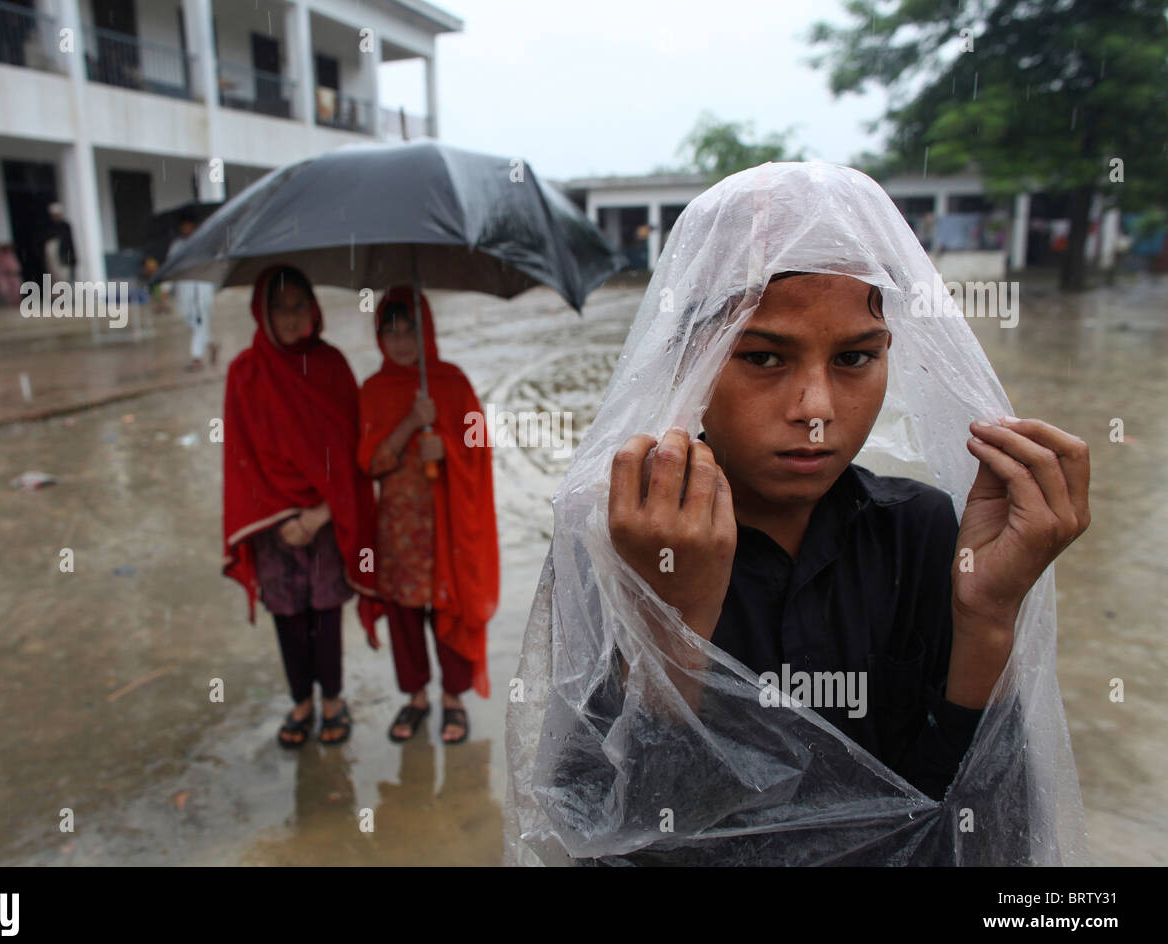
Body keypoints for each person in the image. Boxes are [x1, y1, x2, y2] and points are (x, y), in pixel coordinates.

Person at [506, 162, 1091, 867]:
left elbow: (989, 844)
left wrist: (990, 623)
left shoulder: (927, 535)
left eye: (853, 357)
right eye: (763, 357)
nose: (815, 409)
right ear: (692, 359)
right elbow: (602, 841)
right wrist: (673, 628)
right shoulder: (623, 547)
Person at [221, 265, 379, 747]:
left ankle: (332, 699)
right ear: (261, 312)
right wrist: (284, 515)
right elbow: (240, 456)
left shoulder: (330, 365)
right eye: (278, 308)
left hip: (325, 520)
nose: (289, 319)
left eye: (297, 307)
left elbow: (352, 449)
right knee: (287, 613)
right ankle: (301, 702)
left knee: (326, 610)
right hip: (273, 523)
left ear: (313, 309)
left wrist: (321, 513)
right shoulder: (244, 372)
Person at [357, 288, 499, 744]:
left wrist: (449, 448)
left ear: (426, 331)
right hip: (399, 529)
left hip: (447, 526)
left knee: (446, 602)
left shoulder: (453, 383)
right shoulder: (374, 391)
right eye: (390, 332)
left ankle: (452, 698)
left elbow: (481, 448)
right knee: (404, 611)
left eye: (409, 331)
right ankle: (416, 695)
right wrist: (407, 427)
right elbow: (369, 463)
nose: (401, 342)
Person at [166, 215, 218, 370]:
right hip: (185, 290)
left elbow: (213, 264)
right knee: (191, 321)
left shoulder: (205, 242)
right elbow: (171, 267)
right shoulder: (177, 246)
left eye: (189, 225)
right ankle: (211, 344)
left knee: (201, 321)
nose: (186, 228)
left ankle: (196, 358)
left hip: (203, 287)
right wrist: (166, 288)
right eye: (184, 226)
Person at [43, 202, 76, 285]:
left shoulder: (65, 226)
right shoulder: (49, 228)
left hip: (64, 256)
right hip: (54, 258)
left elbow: (69, 242)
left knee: (65, 277)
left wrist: (72, 257)